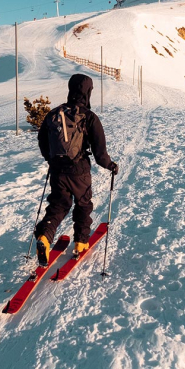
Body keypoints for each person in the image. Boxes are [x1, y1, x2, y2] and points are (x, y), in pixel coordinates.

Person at [34, 74, 118, 265]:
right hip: (79, 169)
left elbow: (42, 141)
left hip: (57, 169)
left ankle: (45, 238)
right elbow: (100, 152)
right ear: (88, 92)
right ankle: (80, 242)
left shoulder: (54, 113)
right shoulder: (89, 117)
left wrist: (51, 159)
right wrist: (111, 166)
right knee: (83, 204)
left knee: (59, 204)